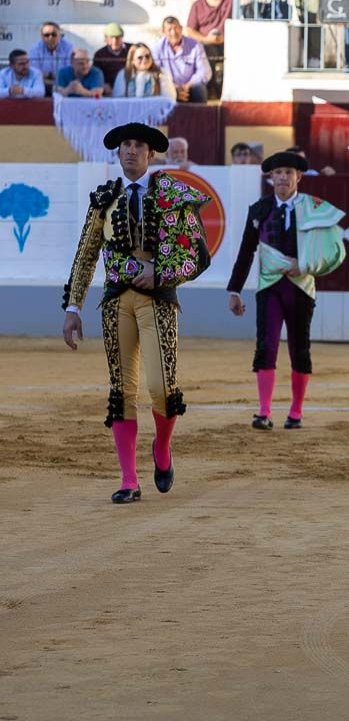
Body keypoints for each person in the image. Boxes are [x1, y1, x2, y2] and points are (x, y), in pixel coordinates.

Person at [61, 123, 211, 503]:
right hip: (115, 302)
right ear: (119, 153)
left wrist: (159, 271)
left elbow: (197, 254)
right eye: (125, 145)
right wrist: (73, 306)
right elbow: (86, 254)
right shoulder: (105, 199)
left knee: (162, 388)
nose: (130, 150)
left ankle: (162, 448)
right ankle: (129, 480)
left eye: (137, 145)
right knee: (122, 390)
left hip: (158, 300)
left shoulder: (172, 194)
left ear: (151, 154)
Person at [227, 151, 347, 430]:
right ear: (271, 177)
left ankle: (295, 412)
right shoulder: (259, 209)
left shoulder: (314, 206)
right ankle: (264, 411)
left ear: (298, 177)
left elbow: (334, 248)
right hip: (269, 287)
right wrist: (234, 290)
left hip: (301, 286)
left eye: (288, 173)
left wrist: (304, 263)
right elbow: (246, 251)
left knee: (299, 348)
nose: (282, 177)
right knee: (266, 345)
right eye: (278, 172)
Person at [185, 0, 233, 100]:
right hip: (207, 47)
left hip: (228, 45)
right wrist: (206, 39)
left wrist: (225, 38)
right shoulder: (197, 5)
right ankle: (210, 94)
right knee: (204, 55)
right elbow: (190, 30)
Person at [152, 17, 212, 104]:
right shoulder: (157, 48)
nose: (173, 32)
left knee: (200, 89)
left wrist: (187, 86)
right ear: (163, 32)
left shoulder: (195, 45)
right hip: (169, 87)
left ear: (181, 28)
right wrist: (174, 88)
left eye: (176, 28)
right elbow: (156, 71)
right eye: (169, 29)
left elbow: (205, 71)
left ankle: (201, 117)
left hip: (190, 87)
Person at [29, 21, 73, 95]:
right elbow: (35, 75)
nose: (50, 37)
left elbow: (68, 73)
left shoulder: (68, 47)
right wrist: (53, 77)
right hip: (42, 85)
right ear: (42, 37)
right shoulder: (35, 49)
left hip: (64, 85)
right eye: (46, 35)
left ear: (60, 35)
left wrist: (47, 75)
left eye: (54, 34)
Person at [93, 23, 132, 91]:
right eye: (111, 38)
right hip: (108, 90)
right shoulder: (99, 54)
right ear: (105, 38)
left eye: (117, 38)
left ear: (122, 37)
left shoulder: (131, 49)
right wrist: (103, 84)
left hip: (130, 86)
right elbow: (96, 73)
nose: (114, 41)